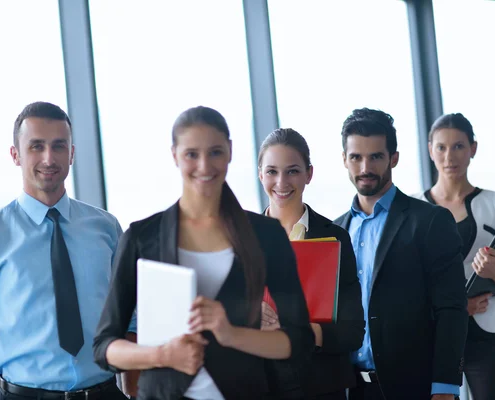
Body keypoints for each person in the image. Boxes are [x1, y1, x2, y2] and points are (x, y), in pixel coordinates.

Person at [93, 106, 315, 400]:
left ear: (231, 151)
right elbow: (104, 347)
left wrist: (232, 334)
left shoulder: (266, 235)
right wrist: (163, 354)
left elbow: (299, 340)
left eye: (215, 152)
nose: (204, 165)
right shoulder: (141, 238)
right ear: (174, 154)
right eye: (191, 154)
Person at [0, 102, 132, 400]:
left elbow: (131, 318)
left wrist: (133, 392)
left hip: (105, 393)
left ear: (72, 152)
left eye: (58, 146)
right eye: (36, 146)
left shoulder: (106, 229)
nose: (48, 158)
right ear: (15, 155)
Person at [333, 108, 468, 400]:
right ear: (344, 159)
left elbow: (452, 310)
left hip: (415, 388)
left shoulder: (431, 221)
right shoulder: (334, 232)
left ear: (393, 158)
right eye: (356, 157)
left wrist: (445, 385)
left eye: (376, 156)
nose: (365, 167)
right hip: (348, 388)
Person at [257, 128, 364, 400]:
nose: (281, 182)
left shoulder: (335, 239)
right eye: (271, 171)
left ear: (309, 174)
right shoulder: (242, 239)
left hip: (321, 386)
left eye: (292, 171)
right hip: (261, 385)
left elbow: (352, 333)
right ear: (260, 174)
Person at [413, 112, 495, 400]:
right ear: (430, 150)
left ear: (473, 149)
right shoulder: (412, 211)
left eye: (459, 146)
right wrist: (456, 306)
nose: (449, 156)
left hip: (488, 332)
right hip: (434, 334)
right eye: (441, 147)